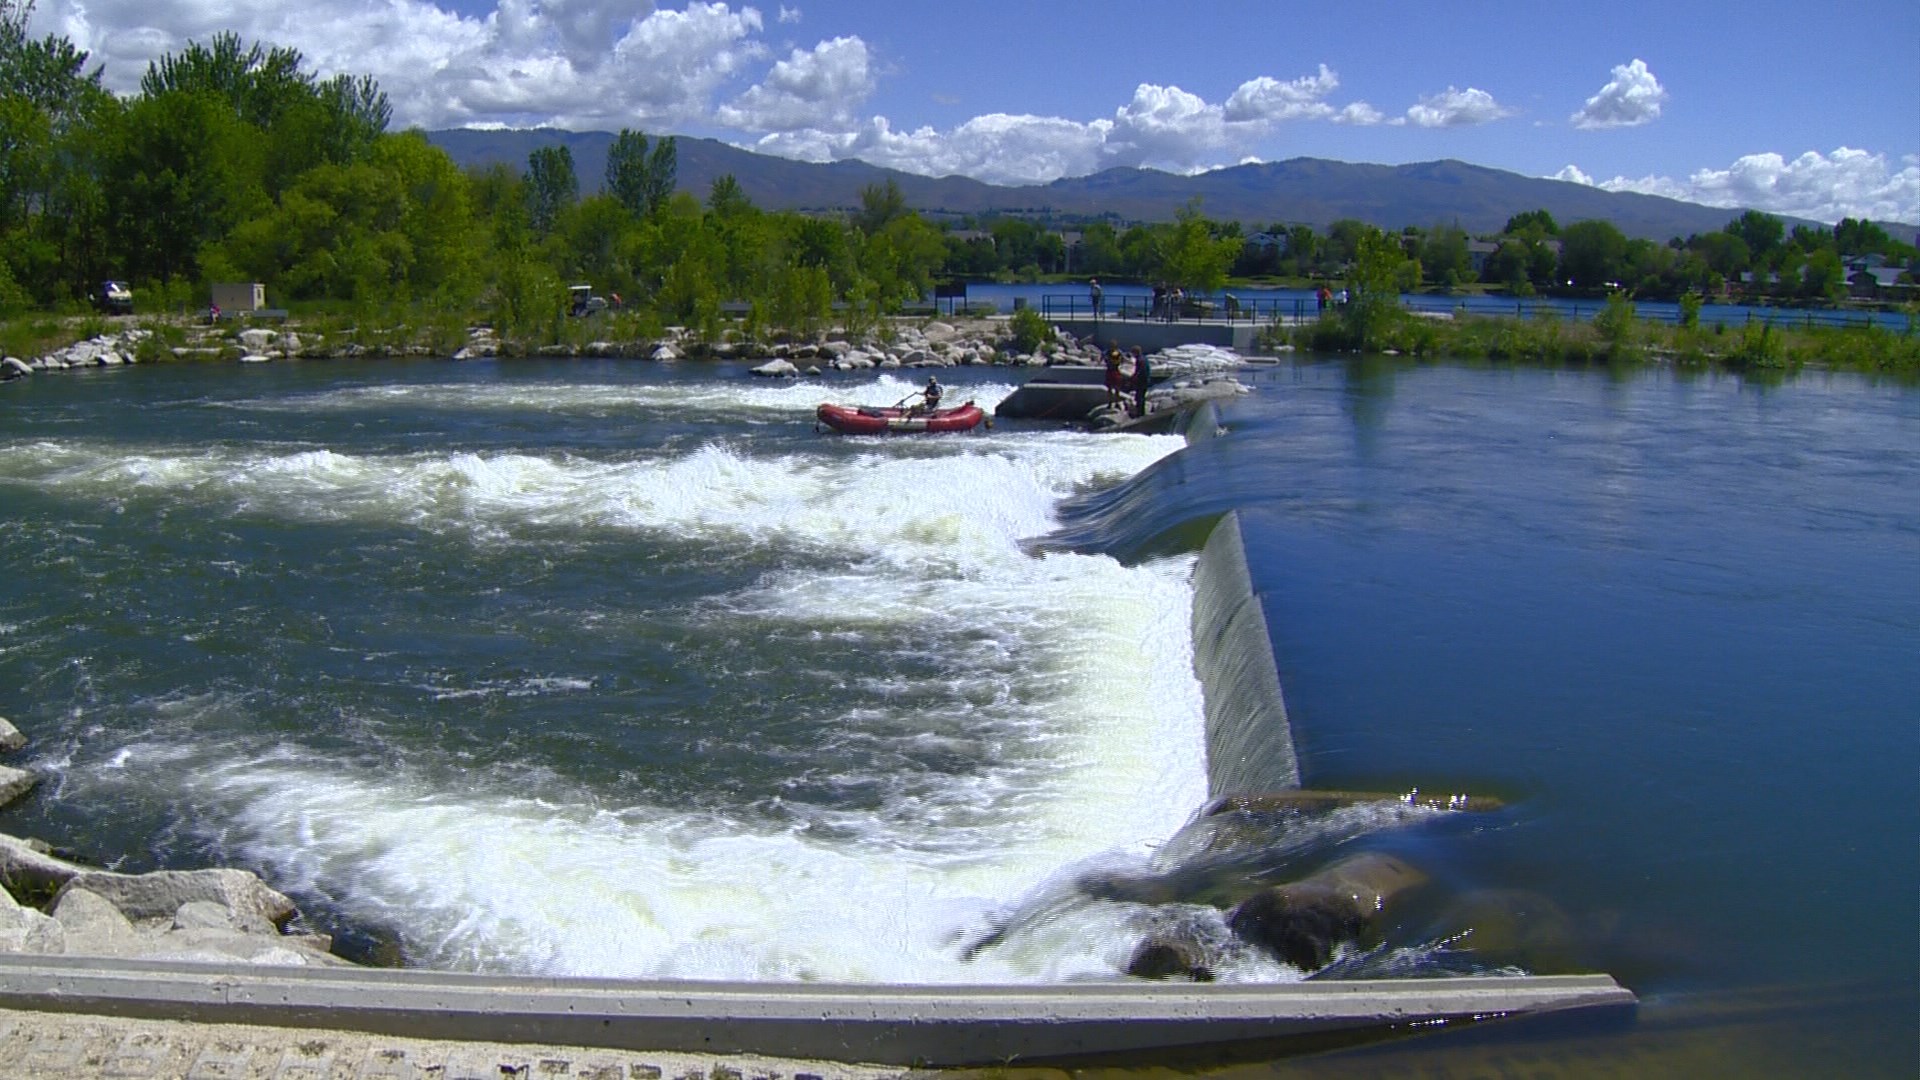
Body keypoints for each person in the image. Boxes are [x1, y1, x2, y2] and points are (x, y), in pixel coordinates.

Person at [1131, 347, 1150, 418]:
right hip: (1145, 380)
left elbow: (1139, 371)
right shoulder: (1144, 358)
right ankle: (1141, 412)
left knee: (1139, 397)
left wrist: (1133, 378)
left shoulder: (1139, 360)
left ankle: (1140, 413)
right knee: (1142, 396)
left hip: (1141, 381)